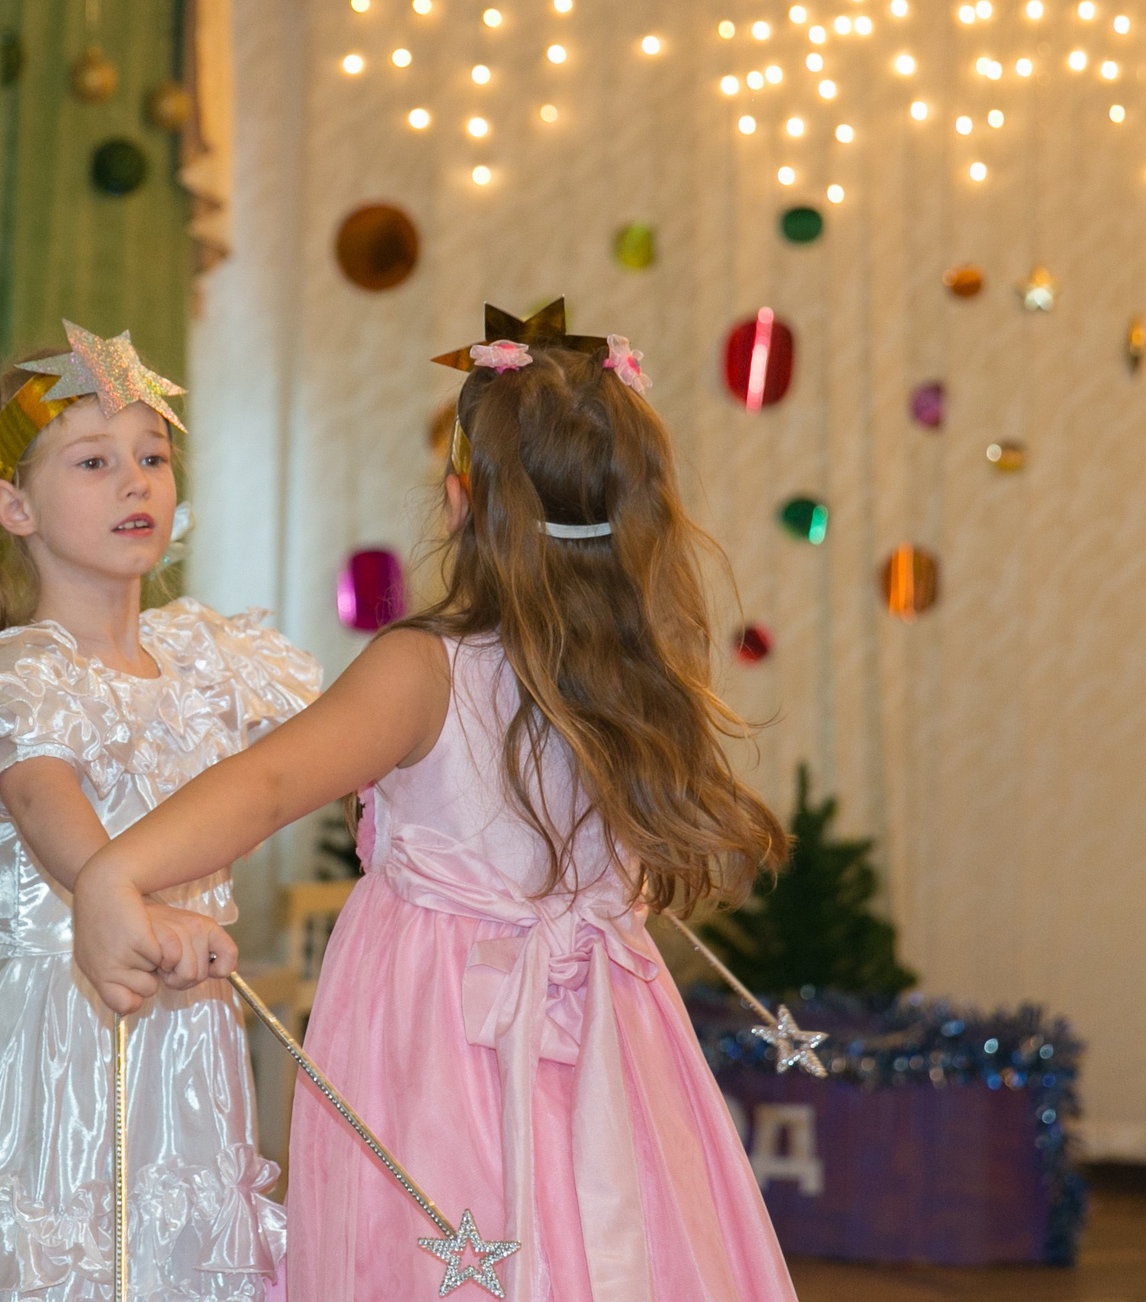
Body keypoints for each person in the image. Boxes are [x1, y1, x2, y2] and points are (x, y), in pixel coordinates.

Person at [74, 302, 800, 1301]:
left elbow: (270, 783)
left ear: (461, 504)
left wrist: (116, 871)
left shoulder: (425, 668)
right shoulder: (647, 673)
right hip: (614, 1039)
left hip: (439, 1042)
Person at [0, 322, 316, 1300]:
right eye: (94, 461)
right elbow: (52, 811)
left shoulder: (212, 659)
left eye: (153, 456)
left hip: (184, 1041)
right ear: (14, 506)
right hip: (50, 1045)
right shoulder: (19, 676)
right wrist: (124, 899)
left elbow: (325, 758)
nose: (136, 481)